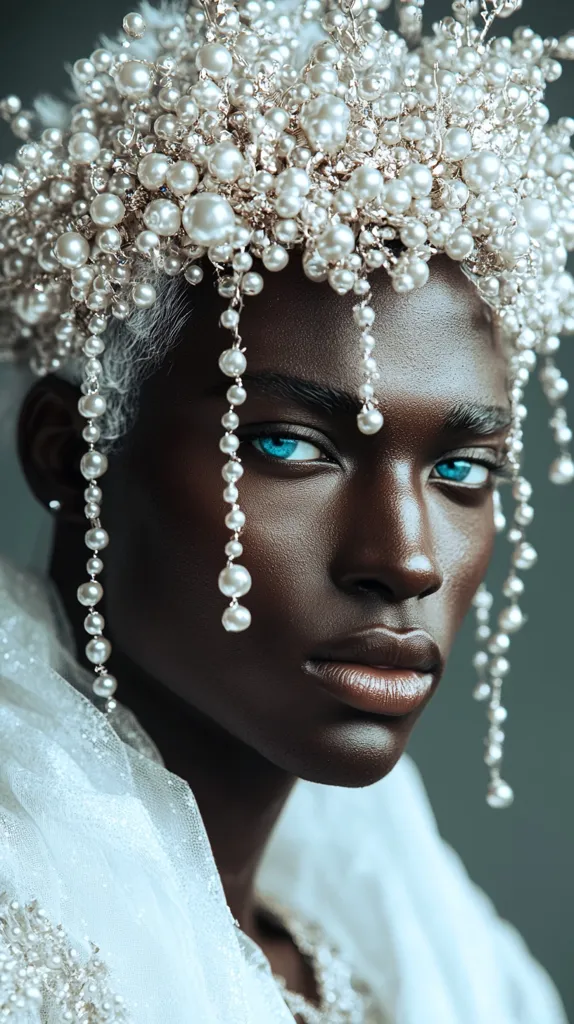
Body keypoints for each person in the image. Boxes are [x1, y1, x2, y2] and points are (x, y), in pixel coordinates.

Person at [0, 0, 572, 1020]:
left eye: (461, 471)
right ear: (72, 450)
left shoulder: (423, 959)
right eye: (285, 446)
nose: (401, 560)